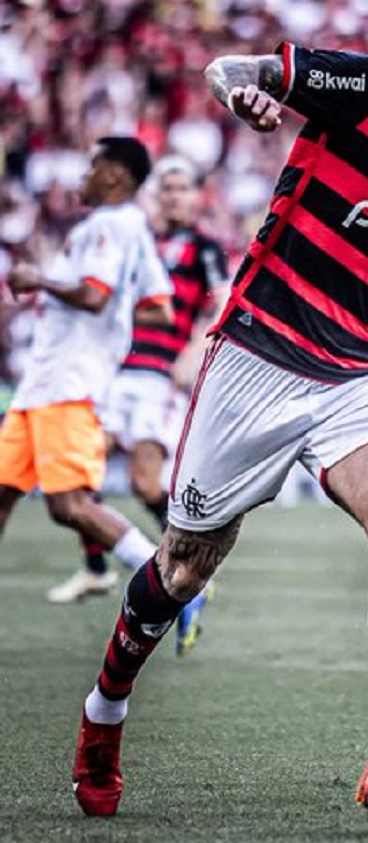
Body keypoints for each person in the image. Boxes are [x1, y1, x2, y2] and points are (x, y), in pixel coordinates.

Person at [71, 0, 368, 820]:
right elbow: (230, 68)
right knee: (182, 567)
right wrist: (242, 97)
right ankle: (104, 714)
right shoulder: (363, 90)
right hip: (257, 353)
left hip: (362, 374)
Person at [48, 156, 232, 656]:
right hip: (113, 373)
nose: (173, 196)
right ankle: (98, 568)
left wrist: (195, 350)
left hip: (159, 379)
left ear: (197, 197)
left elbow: (223, 301)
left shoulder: (204, 247)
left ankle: (187, 571)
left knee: (143, 482)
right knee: (75, 477)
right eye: (165, 188)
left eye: (181, 188)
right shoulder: (136, 241)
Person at [0, 137, 171, 585]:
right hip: (44, 384)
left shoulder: (109, 226)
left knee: (70, 505)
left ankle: (170, 586)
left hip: (67, 383)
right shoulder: (131, 228)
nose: (83, 176)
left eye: (92, 166)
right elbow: (159, 306)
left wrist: (39, 279)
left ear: (114, 173)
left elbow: (95, 297)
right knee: (3, 491)